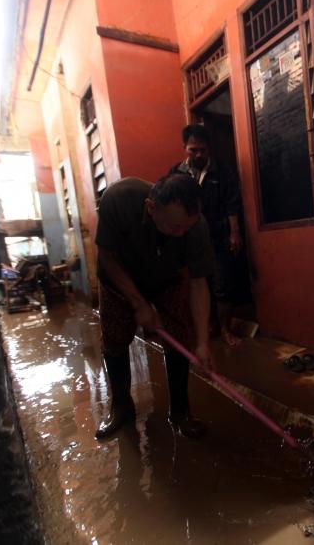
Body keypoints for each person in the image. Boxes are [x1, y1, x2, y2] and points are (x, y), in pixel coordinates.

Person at [94, 173, 215, 440]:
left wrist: (203, 342)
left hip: (166, 279)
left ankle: (180, 412)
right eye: (174, 228)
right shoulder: (118, 199)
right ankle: (122, 407)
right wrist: (139, 303)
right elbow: (106, 255)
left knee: (179, 334)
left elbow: (198, 284)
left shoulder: (196, 227)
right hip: (119, 277)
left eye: (187, 227)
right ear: (151, 208)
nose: (181, 233)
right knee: (115, 337)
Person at [169, 124, 245, 346]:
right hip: (190, 238)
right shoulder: (176, 173)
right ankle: (208, 326)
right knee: (197, 283)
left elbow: (232, 204)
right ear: (184, 147)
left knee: (223, 285)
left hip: (220, 236)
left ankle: (225, 329)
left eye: (202, 149)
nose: (199, 154)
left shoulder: (223, 171)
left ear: (208, 148)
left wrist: (235, 233)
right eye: (193, 150)